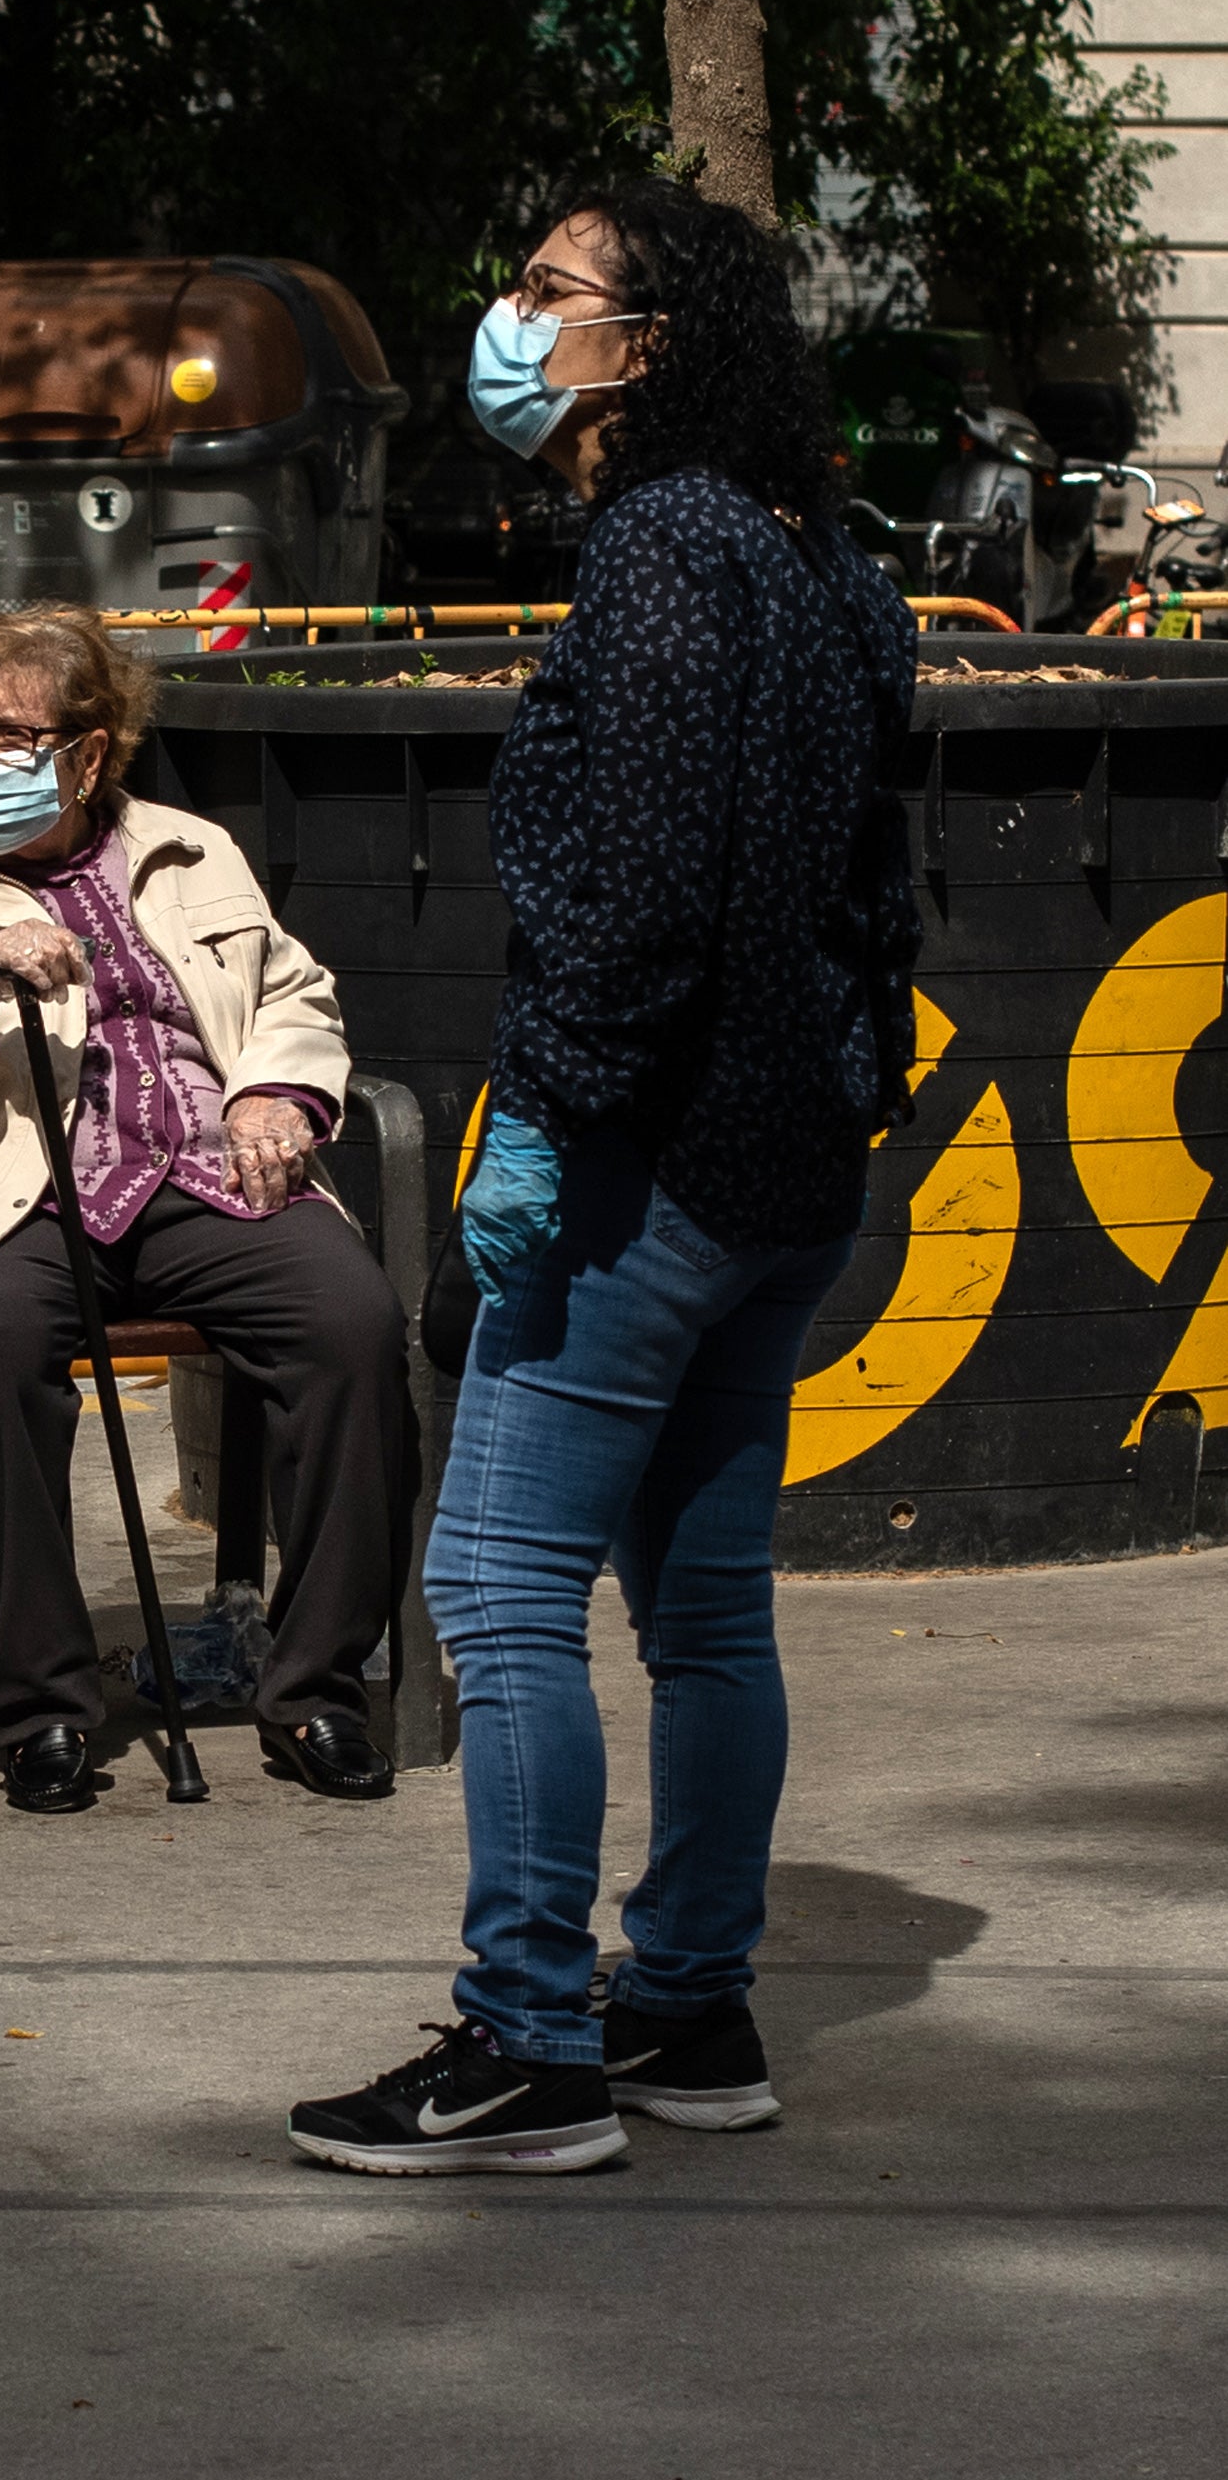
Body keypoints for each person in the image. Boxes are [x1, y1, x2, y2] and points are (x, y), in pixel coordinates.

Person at [290, 176, 917, 2178]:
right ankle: (691, 2007)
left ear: (644, 347)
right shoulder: (811, 553)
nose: (509, 316)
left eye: (551, 291)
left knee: (499, 1585)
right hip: (783, 1163)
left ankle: (530, 2037)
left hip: (654, 1161)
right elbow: (865, 877)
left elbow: (638, 890)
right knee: (710, 1609)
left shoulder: (660, 549)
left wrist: (549, 1119)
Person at [0, 605, 410, 1815]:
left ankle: (318, 1683)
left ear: (91, 750)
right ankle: (44, 1706)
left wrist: (277, 1090)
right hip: (8, 1194)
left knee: (353, 1327)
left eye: (7, 734)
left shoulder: (189, 848)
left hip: (204, 1178)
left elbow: (295, 992)